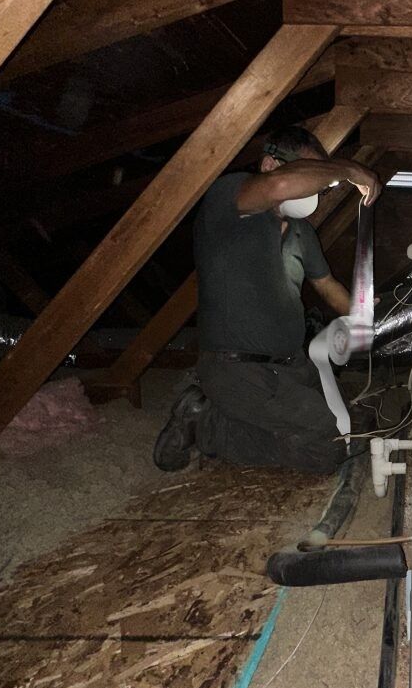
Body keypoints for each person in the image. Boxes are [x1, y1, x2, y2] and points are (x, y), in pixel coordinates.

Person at [153, 125, 381, 474]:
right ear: (270, 165)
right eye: (312, 175)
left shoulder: (302, 233)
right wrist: (349, 169)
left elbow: (326, 283)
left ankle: (220, 415)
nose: (317, 186)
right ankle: (208, 427)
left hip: (291, 368)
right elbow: (279, 188)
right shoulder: (229, 200)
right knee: (328, 447)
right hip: (238, 369)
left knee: (350, 428)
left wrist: (364, 316)